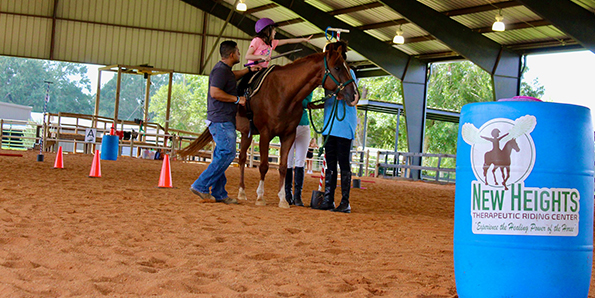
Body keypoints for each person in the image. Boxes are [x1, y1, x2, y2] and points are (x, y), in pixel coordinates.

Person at [190, 40, 262, 204]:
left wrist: (248, 70)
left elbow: (232, 76)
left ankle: (219, 193)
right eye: (237, 51)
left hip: (223, 119)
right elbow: (215, 92)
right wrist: (237, 99)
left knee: (220, 155)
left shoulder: (225, 71)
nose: (239, 53)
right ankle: (200, 185)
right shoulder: (220, 72)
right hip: (221, 120)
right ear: (231, 54)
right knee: (227, 153)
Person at [311, 67, 359, 213]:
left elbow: (354, 98)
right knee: (330, 164)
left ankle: (345, 202)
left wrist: (342, 95)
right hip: (329, 126)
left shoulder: (348, 73)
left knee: (343, 163)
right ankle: (328, 199)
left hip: (344, 125)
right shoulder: (328, 74)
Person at [238, 18, 312, 95]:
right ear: (267, 31)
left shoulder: (272, 43)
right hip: (253, 69)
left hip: (264, 70)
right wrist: (262, 57)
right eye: (273, 30)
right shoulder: (257, 40)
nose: (275, 32)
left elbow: (287, 41)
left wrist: (303, 40)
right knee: (243, 84)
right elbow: (248, 56)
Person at [285, 93, 313, 207]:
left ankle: (297, 196)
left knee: (300, 161)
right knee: (288, 161)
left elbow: (306, 102)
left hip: (303, 125)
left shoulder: (308, 88)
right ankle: (287, 193)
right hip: (289, 125)